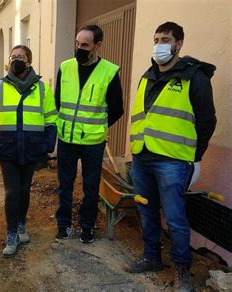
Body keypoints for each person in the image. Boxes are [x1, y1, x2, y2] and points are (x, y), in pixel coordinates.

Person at [126, 22, 216, 292]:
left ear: (179, 44)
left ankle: (182, 271)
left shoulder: (194, 77)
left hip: (173, 161)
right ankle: (151, 257)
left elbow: (206, 121)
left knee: (176, 218)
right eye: (156, 39)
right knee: (147, 211)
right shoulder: (147, 75)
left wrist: (194, 157)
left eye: (165, 39)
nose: (159, 44)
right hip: (142, 156)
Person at [0, 45, 57, 257]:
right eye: (13, 57)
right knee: (12, 191)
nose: (17, 60)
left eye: (21, 57)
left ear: (29, 62)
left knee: (24, 190)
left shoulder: (42, 89)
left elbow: (51, 119)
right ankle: (12, 232)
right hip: (7, 149)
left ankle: (22, 224)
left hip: (33, 148)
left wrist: (47, 145)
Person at [54, 24, 124, 243]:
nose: (79, 48)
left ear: (98, 46)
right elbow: (58, 101)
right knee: (64, 185)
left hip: (93, 141)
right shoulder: (65, 67)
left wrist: (97, 126)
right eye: (77, 43)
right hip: (66, 138)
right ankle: (64, 225)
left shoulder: (109, 72)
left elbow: (117, 109)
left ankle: (87, 226)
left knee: (91, 187)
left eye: (85, 45)